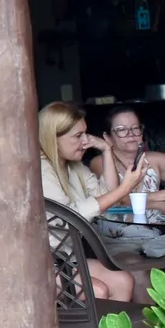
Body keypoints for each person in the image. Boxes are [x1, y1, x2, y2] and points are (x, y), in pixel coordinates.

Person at [37, 102, 143, 303]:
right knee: (98, 291)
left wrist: (106, 149)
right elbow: (66, 217)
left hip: (68, 260)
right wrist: (124, 189)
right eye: (78, 136)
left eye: (85, 133)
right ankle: (93, 327)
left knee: (123, 281)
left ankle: (112, 327)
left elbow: (108, 197)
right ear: (53, 138)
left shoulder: (73, 166)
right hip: (43, 265)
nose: (86, 141)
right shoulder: (42, 169)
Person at [89, 105, 165, 207]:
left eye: (135, 128)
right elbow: (118, 200)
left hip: (157, 224)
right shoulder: (100, 162)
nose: (130, 134)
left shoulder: (153, 159)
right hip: (118, 225)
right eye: (121, 130)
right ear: (108, 137)